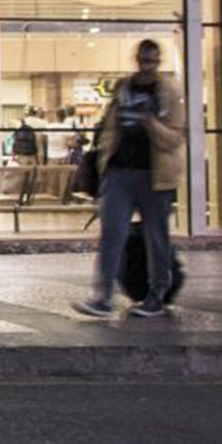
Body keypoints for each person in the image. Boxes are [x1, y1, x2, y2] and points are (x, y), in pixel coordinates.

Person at [75, 38, 185, 321]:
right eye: (143, 60)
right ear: (136, 59)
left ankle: (157, 295)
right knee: (112, 234)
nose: (147, 66)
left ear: (158, 61)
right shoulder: (124, 87)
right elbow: (111, 128)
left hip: (155, 175)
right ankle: (102, 297)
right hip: (120, 172)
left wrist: (151, 124)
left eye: (152, 61)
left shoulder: (169, 92)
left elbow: (175, 138)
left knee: (156, 237)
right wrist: (105, 163)